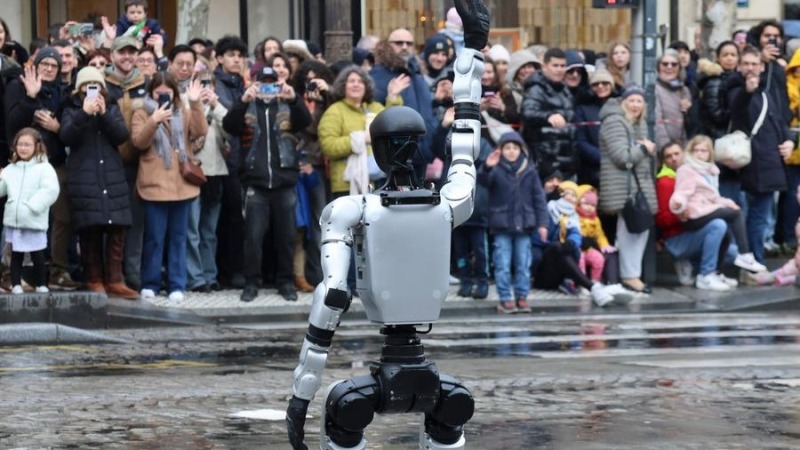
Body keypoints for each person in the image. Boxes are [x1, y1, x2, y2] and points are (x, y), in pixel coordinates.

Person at [222, 62, 312, 303]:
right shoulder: (247, 105)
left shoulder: (287, 103)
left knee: (286, 236)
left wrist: (293, 99)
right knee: (252, 236)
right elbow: (229, 125)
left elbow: (305, 122)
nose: (269, 89)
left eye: (273, 84)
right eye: (264, 84)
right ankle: (252, 282)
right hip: (255, 181)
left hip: (284, 179)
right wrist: (243, 99)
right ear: (256, 83)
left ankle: (285, 281)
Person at [4, 47, 80, 290]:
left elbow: (69, 132)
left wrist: (57, 127)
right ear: (36, 65)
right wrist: (31, 97)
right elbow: (13, 122)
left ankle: (58, 270)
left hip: (53, 163)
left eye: (54, 65)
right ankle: (11, 273)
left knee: (62, 218)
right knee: (19, 219)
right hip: (22, 166)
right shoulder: (19, 85)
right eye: (44, 63)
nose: (48, 68)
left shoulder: (63, 93)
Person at [59, 66, 138, 299]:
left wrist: (103, 114)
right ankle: (94, 278)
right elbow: (66, 136)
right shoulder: (71, 109)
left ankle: (115, 279)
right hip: (84, 177)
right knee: (90, 228)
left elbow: (121, 135)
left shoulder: (111, 107)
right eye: (86, 86)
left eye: (96, 86)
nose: (91, 90)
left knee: (117, 227)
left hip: (111, 174)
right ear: (78, 89)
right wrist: (84, 113)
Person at [130, 72, 207, 301]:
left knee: (178, 237)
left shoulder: (182, 111)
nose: (163, 95)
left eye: (168, 91)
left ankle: (177, 284)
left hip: (182, 185)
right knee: (154, 238)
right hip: (154, 184)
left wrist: (194, 103)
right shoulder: (142, 112)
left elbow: (200, 131)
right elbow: (139, 142)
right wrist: (154, 120)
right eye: (158, 92)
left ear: (174, 92)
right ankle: (151, 283)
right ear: (151, 92)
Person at [728, 45, 795, 264]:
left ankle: (753, 261)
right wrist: (748, 91)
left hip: (769, 161)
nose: (750, 68)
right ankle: (752, 262)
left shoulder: (767, 91)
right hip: (747, 162)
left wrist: (789, 141)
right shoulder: (735, 87)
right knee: (753, 218)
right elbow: (737, 110)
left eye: (754, 64)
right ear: (739, 66)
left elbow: (779, 122)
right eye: (746, 64)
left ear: (762, 66)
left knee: (760, 218)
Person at [670, 135, 766, 274]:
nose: (699, 154)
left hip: (707, 209)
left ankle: (715, 272)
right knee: (736, 214)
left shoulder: (711, 171)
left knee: (725, 232)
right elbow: (682, 192)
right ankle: (745, 255)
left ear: (710, 153)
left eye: (703, 151)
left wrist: (727, 203)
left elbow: (714, 197)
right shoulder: (687, 170)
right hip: (694, 213)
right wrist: (678, 204)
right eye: (696, 150)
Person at [477, 131, 548, 314]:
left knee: (523, 263)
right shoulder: (495, 168)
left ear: (521, 150)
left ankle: (522, 296)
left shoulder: (529, 170)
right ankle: (505, 298)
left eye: (515, 148)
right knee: (502, 263)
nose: (511, 151)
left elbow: (539, 198)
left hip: (524, 226)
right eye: (507, 148)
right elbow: (483, 182)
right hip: (501, 225)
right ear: (500, 150)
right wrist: (487, 167)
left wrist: (543, 224)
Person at [598, 84, 658, 294]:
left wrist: (645, 149)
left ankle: (630, 274)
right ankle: (629, 276)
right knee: (631, 232)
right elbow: (621, 157)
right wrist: (644, 148)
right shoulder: (615, 122)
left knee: (638, 230)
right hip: (624, 188)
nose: (635, 105)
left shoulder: (636, 123)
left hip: (635, 186)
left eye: (639, 101)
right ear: (623, 102)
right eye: (631, 100)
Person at [656, 141, 737, 290]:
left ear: (684, 155)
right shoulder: (665, 182)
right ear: (664, 161)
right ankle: (706, 274)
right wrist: (680, 214)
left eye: (676, 154)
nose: (674, 159)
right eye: (668, 156)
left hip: (696, 230)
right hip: (678, 238)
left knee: (732, 253)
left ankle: (706, 270)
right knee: (718, 225)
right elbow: (661, 219)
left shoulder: (695, 174)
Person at [318, 65, 406, 197]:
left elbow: (393, 125)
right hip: (347, 184)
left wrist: (393, 96)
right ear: (343, 86)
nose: (356, 85)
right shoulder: (334, 111)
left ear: (366, 86)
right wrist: (361, 138)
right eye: (351, 81)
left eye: (360, 81)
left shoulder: (375, 107)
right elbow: (328, 146)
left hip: (379, 181)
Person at [104, 36, 149, 291]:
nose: (127, 57)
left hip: (139, 163)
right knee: (108, 222)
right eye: (122, 52)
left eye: (132, 52)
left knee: (135, 221)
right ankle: (109, 275)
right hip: (108, 162)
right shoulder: (100, 83)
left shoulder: (147, 82)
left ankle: (132, 274)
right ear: (112, 55)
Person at [184, 69, 229, 293]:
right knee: (192, 229)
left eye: (208, 83)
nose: (204, 88)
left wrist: (216, 105)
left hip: (216, 172)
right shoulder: (186, 104)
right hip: (192, 172)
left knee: (209, 231)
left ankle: (210, 275)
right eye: (200, 83)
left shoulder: (218, 107)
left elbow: (231, 132)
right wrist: (196, 104)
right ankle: (195, 277)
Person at [0, 128, 59, 294]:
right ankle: (16, 283)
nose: (23, 148)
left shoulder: (44, 168)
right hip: (15, 220)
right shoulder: (11, 169)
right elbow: (2, 189)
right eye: (20, 144)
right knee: (16, 253)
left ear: (36, 146)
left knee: (37, 253)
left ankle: (41, 283)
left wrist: (32, 206)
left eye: (27, 144)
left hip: (33, 218)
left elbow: (51, 190)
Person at [213, 35, 248, 290]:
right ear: (219, 58)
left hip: (244, 159)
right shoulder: (215, 84)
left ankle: (237, 270)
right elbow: (229, 118)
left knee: (238, 218)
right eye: (231, 55)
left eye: (239, 55)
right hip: (222, 157)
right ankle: (225, 271)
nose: (236, 59)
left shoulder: (244, 83)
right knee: (223, 218)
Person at [521, 47, 576, 180]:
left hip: (567, 161)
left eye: (562, 66)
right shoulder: (536, 88)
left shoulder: (565, 90)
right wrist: (548, 116)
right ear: (545, 67)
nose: (559, 69)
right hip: (545, 163)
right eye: (555, 65)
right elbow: (527, 113)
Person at [698, 40, 741, 203]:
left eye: (733, 55)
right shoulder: (715, 81)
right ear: (718, 58)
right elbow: (716, 115)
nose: (729, 58)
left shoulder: (737, 79)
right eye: (725, 55)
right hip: (722, 144)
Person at [574, 69, 616, 188]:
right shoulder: (582, 108)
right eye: (596, 84)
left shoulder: (620, 105)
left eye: (605, 83)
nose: (600, 86)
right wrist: (603, 159)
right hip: (591, 170)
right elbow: (580, 141)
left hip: (618, 166)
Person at [576, 184, 615, 284]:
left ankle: (595, 282)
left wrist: (604, 244)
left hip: (588, 248)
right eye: (586, 204)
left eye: (593, 205)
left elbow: (599, 234)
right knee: (580, 260)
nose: (589, 208)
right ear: (578, 203)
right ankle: (583, 283)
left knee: (599, 259)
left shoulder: (595, 219)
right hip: (577, 248)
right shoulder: (574, 216)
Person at [654, 49, 691, 151]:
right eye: (665, 64)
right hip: (665, 149)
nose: (669, 67)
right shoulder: (655, 89)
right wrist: (666, 148)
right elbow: (657, 122)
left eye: (674, 64)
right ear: (658, 67)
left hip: (683, 147)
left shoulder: (684, 90)